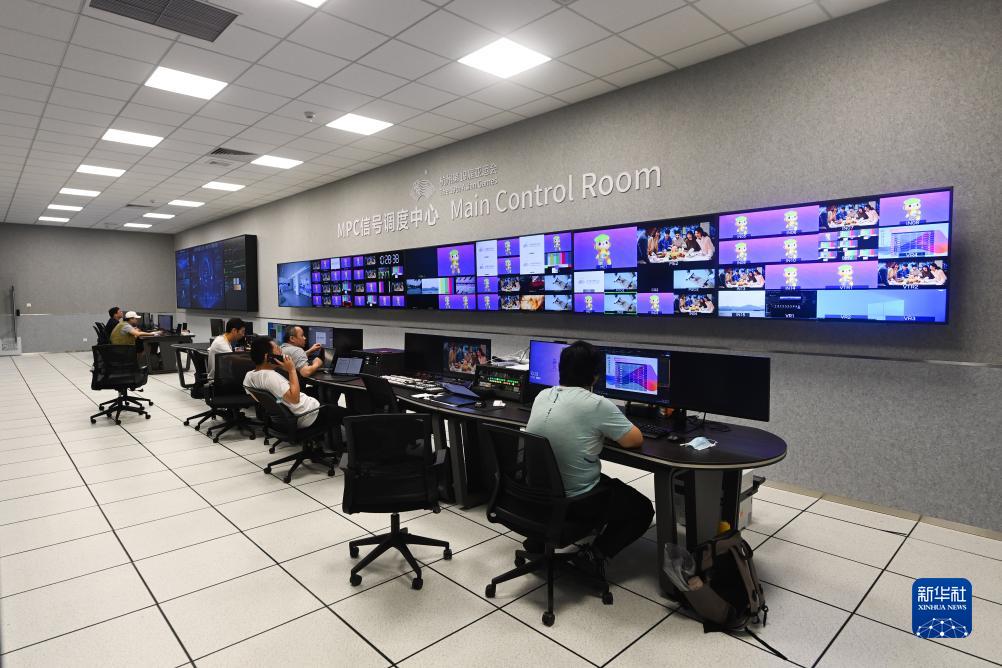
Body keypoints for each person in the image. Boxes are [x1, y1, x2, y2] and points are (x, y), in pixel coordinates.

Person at [525, 341, 653, 575]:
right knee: (642, 508)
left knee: (603, 481)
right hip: (576, 501)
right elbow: (634, 440)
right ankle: (595, 555)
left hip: (535, 494)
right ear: (595, 376)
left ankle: (539, 538)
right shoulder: (597, 405)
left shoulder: (542, 395)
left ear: (560, 369)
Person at [243, 337, 345, 440]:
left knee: (319, 394)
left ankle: (330, 440)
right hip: (309, 415)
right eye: (277, 348)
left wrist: (280, 399)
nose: (281, 351)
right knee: (349, 415)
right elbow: (295, 399)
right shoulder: (271, 376)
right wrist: (291, 370)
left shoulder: (249, 376)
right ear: (267, 357)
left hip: (286, 419)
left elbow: (264, 400)